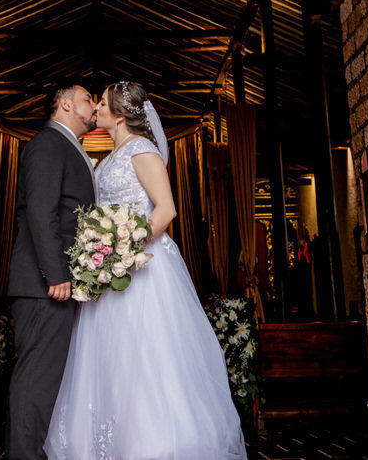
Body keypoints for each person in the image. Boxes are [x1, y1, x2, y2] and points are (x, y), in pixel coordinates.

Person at [46, 81, 247, 460]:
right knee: (112, 358)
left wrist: (124, 249)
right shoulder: (109, 157)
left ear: (120, 115)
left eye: (102, 102)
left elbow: (166, 210)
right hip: (111, 273)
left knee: (147, 355)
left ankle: (155, 444)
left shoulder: (142, 150)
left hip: (143, 268)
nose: (96, 107)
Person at [7, 84, 98, 460]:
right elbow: (41, 212)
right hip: (44, 285)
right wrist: (56, 274)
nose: (95, 105)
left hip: (57, 284)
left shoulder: (68, 146)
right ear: (65, 105)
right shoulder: (48, 144)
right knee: (36, 379)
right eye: (88, 99)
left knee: (49, 381)